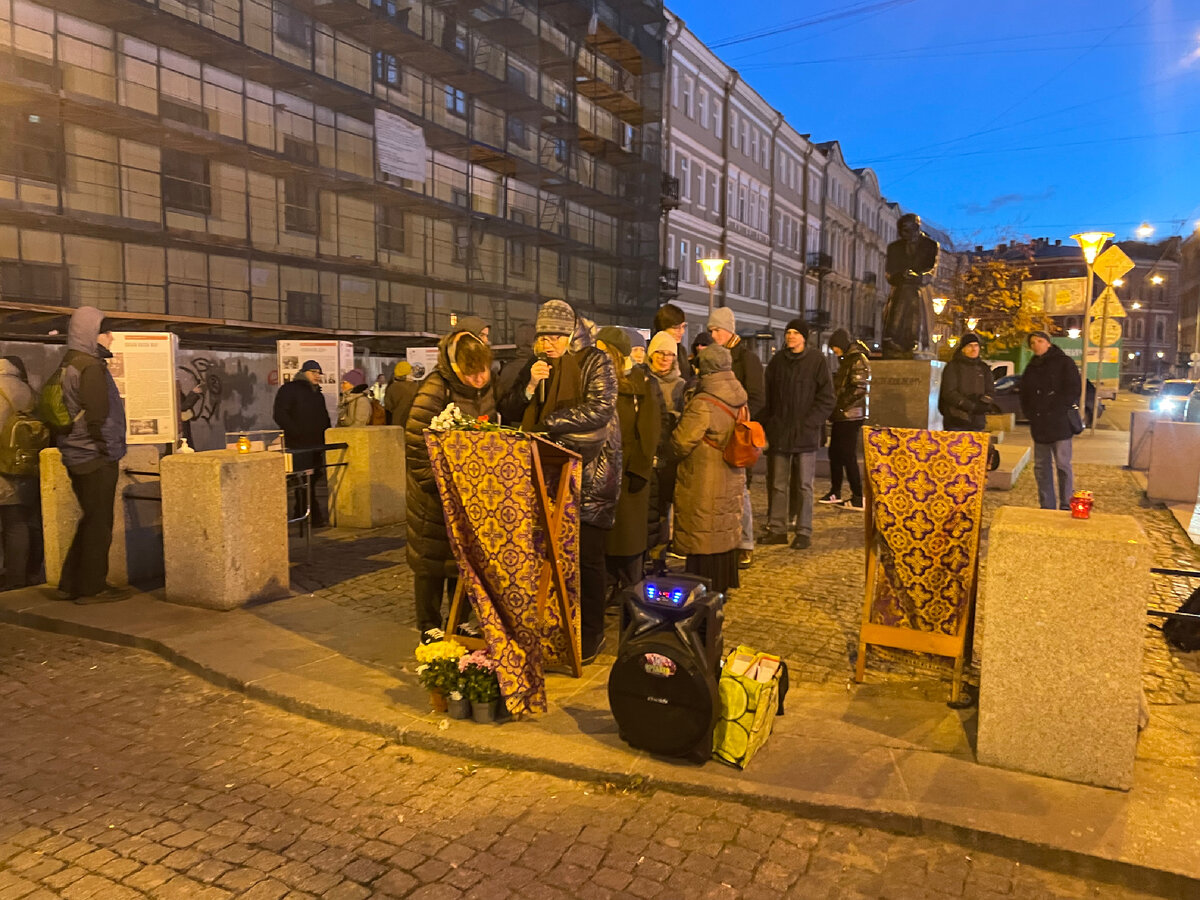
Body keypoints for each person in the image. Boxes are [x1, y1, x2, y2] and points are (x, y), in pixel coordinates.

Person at [499, 299, 620, 664]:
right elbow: (509, 411)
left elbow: (601, 408)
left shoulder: (595, 362)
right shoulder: (535, 368)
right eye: (543, 336)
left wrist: (548, 425)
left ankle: (592, 633)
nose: (549, 343)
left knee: (588, 561)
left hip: (591, 478)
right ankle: (554, 628)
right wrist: (530, 384)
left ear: (571, 334)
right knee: (550, 559)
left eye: (556, 335)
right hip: (544, 479)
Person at [406, 330, 495, 641]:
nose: (479, 379)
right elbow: (416, 443)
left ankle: (459, 620)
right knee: (430, 561)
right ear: (457, 367)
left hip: (466, 493)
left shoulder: (483, 388)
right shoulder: (434, 388)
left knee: (462, 561)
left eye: (483, 371)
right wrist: (438, 485)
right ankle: (428, 623)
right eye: (472, 373)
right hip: (434, 496)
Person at [55, 307, 130, 604]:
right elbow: (98, 415)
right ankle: (91, 588)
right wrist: (107, 451)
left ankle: (69, 583)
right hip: (94, 456)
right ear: (93, 334)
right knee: (100, 523)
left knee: (90, 519)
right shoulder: (91, 367)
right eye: (107, 331)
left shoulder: (69, 362)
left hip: (76, 453)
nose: (111, 338)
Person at [670, 344, 748, 594]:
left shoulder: (703, 402)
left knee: (703, 531)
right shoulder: (739, 397)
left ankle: (702, 587)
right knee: (723, 529)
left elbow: (681, 443)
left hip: (704, 477)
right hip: (731, 473)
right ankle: (723, 582)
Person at [596, 326, 661, 596]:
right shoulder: (596, 379)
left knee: (628, 541)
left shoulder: (640, 383)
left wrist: (639, 469)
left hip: (630, 473)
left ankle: (631, 595)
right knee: (605, 541)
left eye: (601, 350)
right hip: (602, 474)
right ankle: (608, 589)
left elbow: (650, 430)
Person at [759, 319, 835, 550]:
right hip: (780, 432)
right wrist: (768, 424)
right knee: (778, 484)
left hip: (805, 434)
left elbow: (827, 398)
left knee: (804, 485)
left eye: (795, 333)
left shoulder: (816, 361)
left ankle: (804, 530)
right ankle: (778, 528)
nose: (790, 336)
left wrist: (811, 422)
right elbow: (767, 396)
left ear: (804, 337)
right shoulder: (777, 362)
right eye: (788, 332)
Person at [706, 306, 765, 569]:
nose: (713, 334)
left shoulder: (747, 359)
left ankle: (745, 543)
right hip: (717, 433)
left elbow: (757, 397)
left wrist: (738, 416)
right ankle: (725, 542)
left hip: (738, 431)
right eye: (710, 330)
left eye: (716, 330)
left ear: (728, 330)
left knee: (741, 490)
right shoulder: (712, 356)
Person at [1020, 330, 1081, 510]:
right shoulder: (1031, 367)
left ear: (1048, 343)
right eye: (1032, 343)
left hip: (1060, 423)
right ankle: (1046, 505)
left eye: (1039, 341)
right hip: (1040, 425)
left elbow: (1073, 389)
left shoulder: (1064, 363)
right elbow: (1025, 394)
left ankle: (1066, 503)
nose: (1036, 345)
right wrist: (1030, 413)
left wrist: (1059, 408)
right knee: (1041, 468)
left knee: (1063, 464)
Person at [273, 359, 331, 528]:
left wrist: (326, 435)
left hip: (316, 443)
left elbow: (323, 416)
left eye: (319, 373)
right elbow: (280, 414)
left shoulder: (316, 393)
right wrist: (296, 433)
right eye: (314, 372)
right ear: (304, 372)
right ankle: (310, 516)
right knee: (303, 480)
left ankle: (304, 513)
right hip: (299, 444)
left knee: (311, 479)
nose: (317, 376)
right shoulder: (290, 390)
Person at [819, 328, 871, 511]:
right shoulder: (848, 360)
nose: (834, 351)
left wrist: (840, 406)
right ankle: (835, 491)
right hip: (843, 415)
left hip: (851, 415)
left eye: (835, 347)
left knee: (848, 456)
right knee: (835, 454)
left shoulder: (857, 360)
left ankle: (857, 497)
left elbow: (859, 388)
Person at [646, 330, 686, 552]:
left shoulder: (680, 385)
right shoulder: (643, 379)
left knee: (666, 498)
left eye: (669, 354)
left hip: (669, 449)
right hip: (650, 447)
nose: (663, 358)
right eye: (659, 353)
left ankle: (665, 541)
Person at [0, 355, 37, 590]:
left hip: (2, 465)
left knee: (13, 525)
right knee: (20, 522)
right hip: (26, 465)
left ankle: (13, 578)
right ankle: (24, 574)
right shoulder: (31, 391)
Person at [881, 213, 940, 359]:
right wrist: (901, 275)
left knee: (912, 292)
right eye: (901, 230)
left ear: (917, 227)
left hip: (920, 288)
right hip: (900, 286)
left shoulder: (931, 245)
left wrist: (918, 276)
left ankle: (907, 338)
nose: (903, 234)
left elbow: (931, 271)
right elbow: (889, 273)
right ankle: (900, 339)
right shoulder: (894, 247)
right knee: (904, 290)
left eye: (907, 230)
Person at [939, 332, 995, 432]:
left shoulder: (984, 368)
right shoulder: (953, 367)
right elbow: (949, 392)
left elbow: (990, 390)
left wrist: (984, 404)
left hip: (978, 421)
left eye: (976, 345)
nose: (974, 349)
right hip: (956, 420)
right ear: (963, 349)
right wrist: (969, 405)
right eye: (970, 346)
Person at [653, 303, 692, 379]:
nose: (682, 331)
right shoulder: (652, 349)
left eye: (683, 326)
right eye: (676, 328)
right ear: (663, 328)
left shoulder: (681, 350)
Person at [384, 360, 419, 427]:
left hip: (397, 423)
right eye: (411, 372)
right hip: (414, 422)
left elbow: (388, 408)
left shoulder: (392, 387)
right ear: (407, 373)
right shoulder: (416, 387)